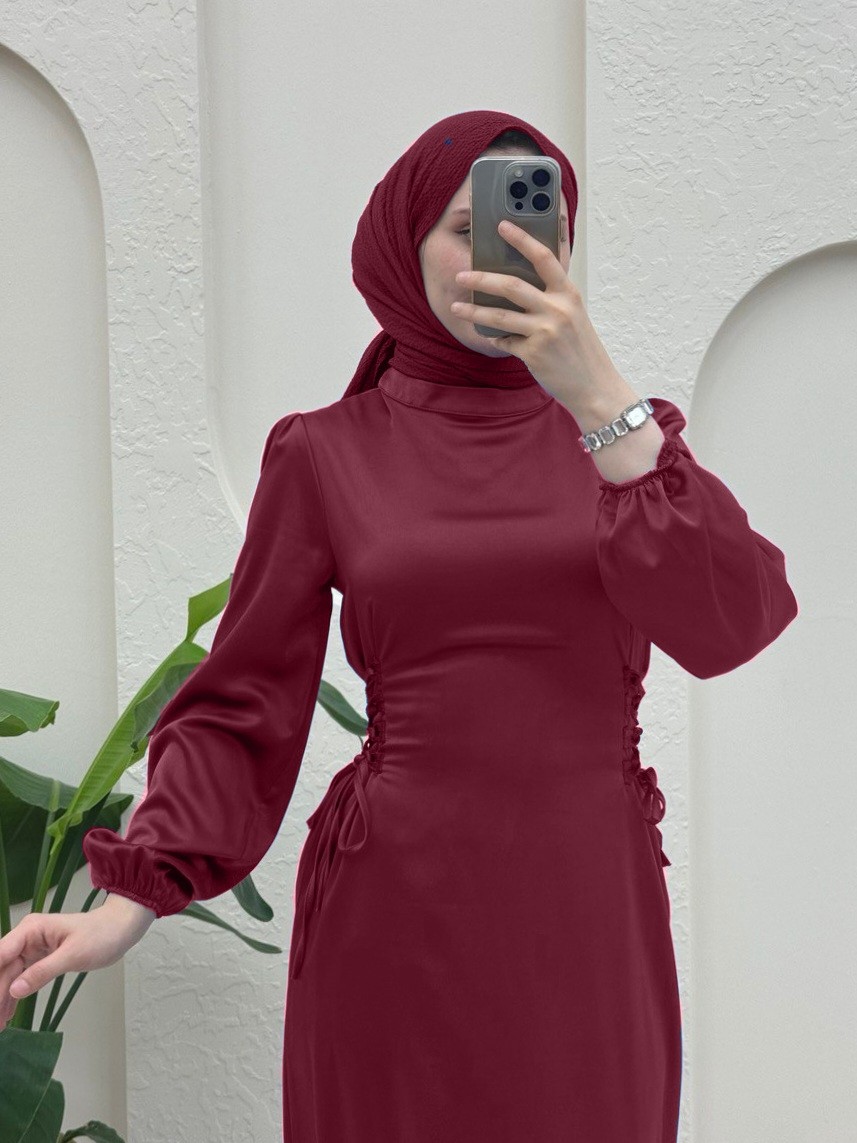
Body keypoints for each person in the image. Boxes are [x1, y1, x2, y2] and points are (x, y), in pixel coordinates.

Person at [0, 110, 799, 1142]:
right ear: (403, 244)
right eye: (467, 229)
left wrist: (600, 397)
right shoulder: (324, 453)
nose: (508, 253)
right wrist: (132, 899)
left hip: (588, 909)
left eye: (538, 229)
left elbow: (733, 621)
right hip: (395, 913)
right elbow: (244, 700)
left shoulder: (625, 445)